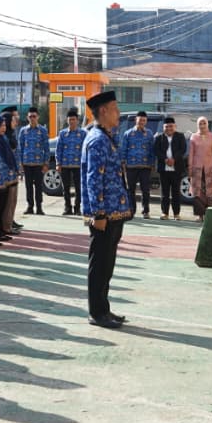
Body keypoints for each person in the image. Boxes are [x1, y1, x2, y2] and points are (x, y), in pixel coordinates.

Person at [80, 90, 131, 328]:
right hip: (104, 214)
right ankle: (96, 313)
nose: (118, 114)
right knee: (99, 265)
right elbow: (93, 180)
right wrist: (98, 214)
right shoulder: (97, 140)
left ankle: (104, 309)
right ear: (103, 111)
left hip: (114, 211)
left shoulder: (106, 136)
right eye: (115, 109)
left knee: (107, 264)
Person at [120, 110, 155, 218]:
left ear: (146, 121)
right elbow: (123, 149)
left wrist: (152, 163)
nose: (142, 122)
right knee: (131, 190)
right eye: (140, 120)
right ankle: (132, 210)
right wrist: (123, 162)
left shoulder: (149, 134)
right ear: (136, 120)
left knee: (145, 189)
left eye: (144, 120)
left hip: (145, 166)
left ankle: (146, 211)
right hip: (131, 166)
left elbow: (152, 150)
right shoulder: (128, 133)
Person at [152, 117, 187, 220]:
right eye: (166, 126)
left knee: (176, 192)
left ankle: (176, 214)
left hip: (176, 168)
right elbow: (156, 151)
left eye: (171, 126)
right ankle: (165, 213)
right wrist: (165, 159)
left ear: (175, 127)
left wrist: (174, 159)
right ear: (163, 127)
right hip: (164, 168)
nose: (169, 128)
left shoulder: (180, 136)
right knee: (165, 192)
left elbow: (183, 149)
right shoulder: (159, 137)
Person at [0, 110, 21, 236]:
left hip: (11, 173)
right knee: (4, 204)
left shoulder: (7, 137)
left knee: (11, 201)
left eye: (5, 124)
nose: (4, 127)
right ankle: (4, 227)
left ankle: (8, 225)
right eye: (2, 125)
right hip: (3, 177)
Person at [17, 107, 48, 215]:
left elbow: (46, 148)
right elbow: (20, 147)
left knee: (38, 186)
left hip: (39, 163)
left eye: (34, 116)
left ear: (38, 117)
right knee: (28, 186)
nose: (32, 118)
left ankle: (39, 207)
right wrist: (20, 163)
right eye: (30, 116)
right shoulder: (23, 131)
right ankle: (30, 206)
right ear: (27, 117)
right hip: (26, 163)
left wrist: (46, 163)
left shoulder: (43, 130)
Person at [187, 116, 212, 219]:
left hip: (210, 168)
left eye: (204, 123)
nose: (202, 125)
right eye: (200, 123)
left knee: (209, 192)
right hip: (197, 168)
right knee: (198, 193)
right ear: (197, 125)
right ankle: (200, 215)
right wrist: (190, 168)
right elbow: (191, 154)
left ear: (207, 124)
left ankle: (209, 215)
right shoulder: (193, 137)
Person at [56, 108, 86, 216]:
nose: (71, 121)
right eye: (69, 120)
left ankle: (77, 208)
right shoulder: (62, 134)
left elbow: (85, 150)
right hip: (65, 164)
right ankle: (67, 208)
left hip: (78, 165)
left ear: (77, 120)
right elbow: (58, 149)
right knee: (66, 188)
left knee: (79, 188)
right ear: (67, 121)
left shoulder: (83, 134)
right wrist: (58, 163)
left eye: (73, 119)